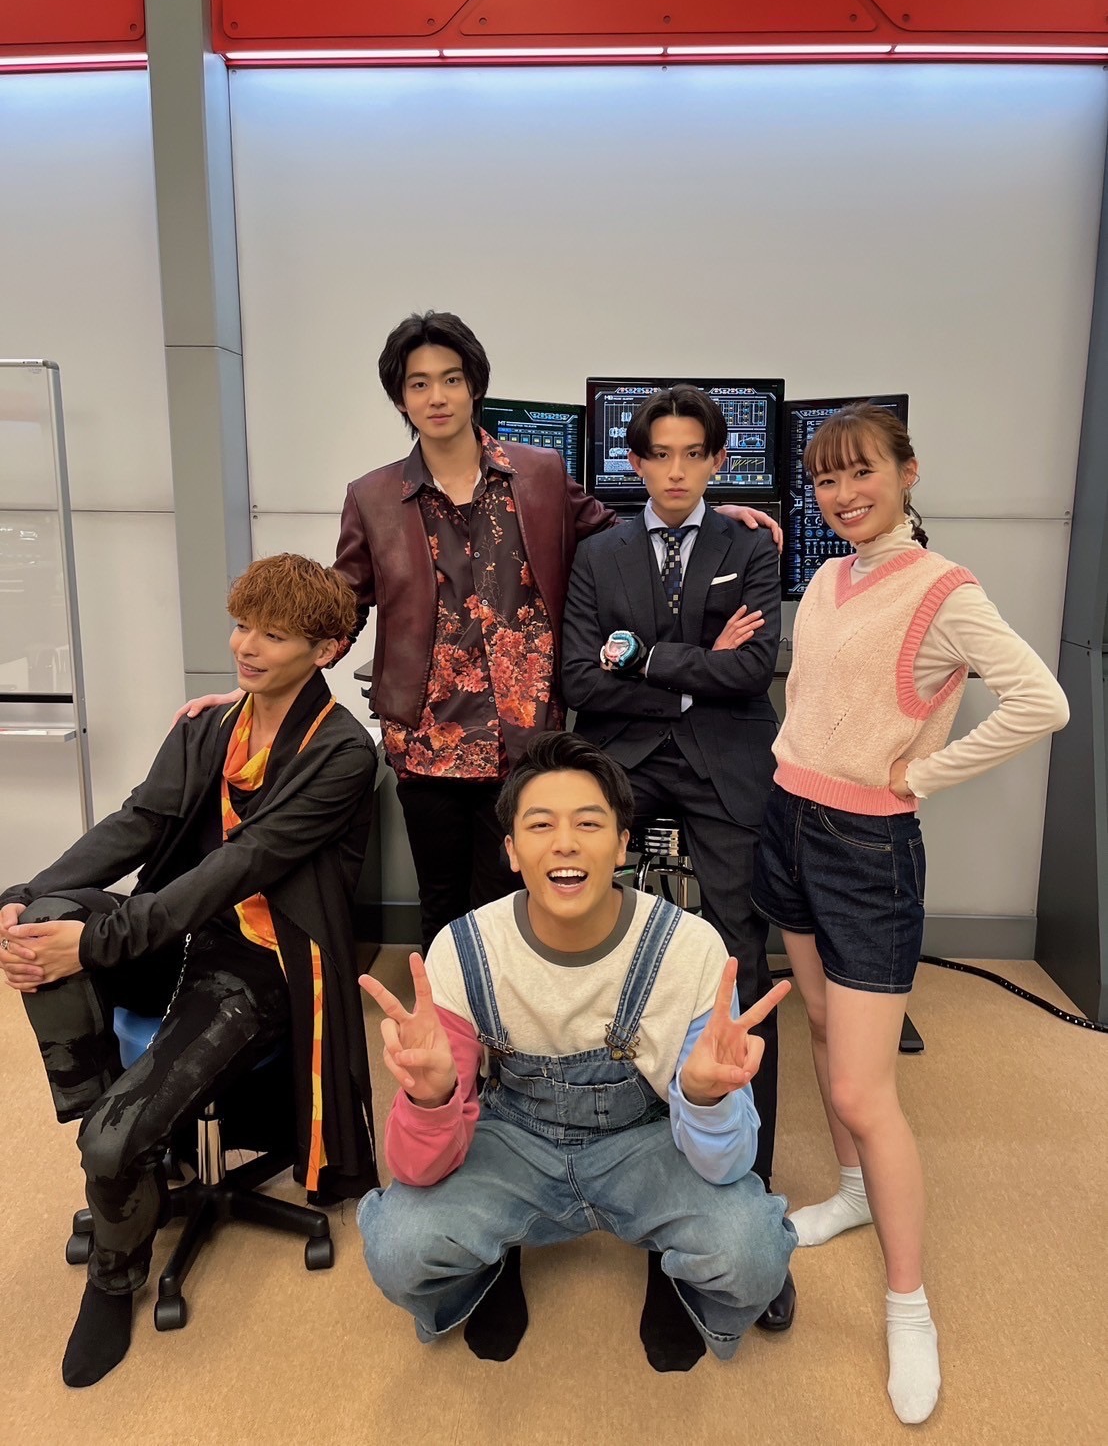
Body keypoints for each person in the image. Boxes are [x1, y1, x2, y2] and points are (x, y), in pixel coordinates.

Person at [176, 311, 780, 952]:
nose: (436, 397)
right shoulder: (374, 497)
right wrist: (264, 688)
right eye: (418, 384)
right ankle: (446, 1018)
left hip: (525, 734)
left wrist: (708, 520)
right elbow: (335, 609)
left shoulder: (539, 474)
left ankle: (502, 1019)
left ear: (474, 387)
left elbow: (621, 539)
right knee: (441, 908)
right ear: (400, 398)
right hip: (426, 736)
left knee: (514, 910)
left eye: (451, 379)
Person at [748, 403, 1069, 1424]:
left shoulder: (945, 590)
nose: (843, 494)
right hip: (789, 818)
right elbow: (818, 699)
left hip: (866, 849)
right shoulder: (830, 578)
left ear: (907, 472)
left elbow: (1043, 701)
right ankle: (849, 1193)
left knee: (862, 1085)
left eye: (862, 472)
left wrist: (921, 772)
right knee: (818, 1018)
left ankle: (908, 1303)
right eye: (826, 479)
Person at [0, 554, 380, 1388]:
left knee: (110, 1135)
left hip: (260, 959)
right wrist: (29, 892)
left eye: (272, 635)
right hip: (179, 931)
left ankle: (115, 1268)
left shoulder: (342, 752)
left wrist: (100, 941)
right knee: (45, 917)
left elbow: (243, 862)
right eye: (241, 625)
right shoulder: (209, 728)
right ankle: (118, 1137)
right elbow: (140, 821)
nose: (244, 646)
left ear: (324, 649)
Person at [356, 731, 796, 1371]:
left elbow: (729, 1166)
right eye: (540, 825)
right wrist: (431, 1099)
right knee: (399, 1246)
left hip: (646, 1143)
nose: (565, 842)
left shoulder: (689, 949)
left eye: (589, 823)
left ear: (621, 843)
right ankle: (491, 1259)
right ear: (511, 850)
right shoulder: (465, 950)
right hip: (513, 1143)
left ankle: (670, 1266)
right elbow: (417, 1170)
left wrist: (704, 1098)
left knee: (753, 1254)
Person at [560, 384, 795, 1330]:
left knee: (741, 953)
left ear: (718, 461)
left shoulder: (751, 545)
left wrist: (644, 660)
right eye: (657, 453)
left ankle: (746, 1182)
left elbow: (753, 669)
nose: (674, 470)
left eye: (693, 453)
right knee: (573, 918)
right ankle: (585, 1136)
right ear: (635, 462)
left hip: (724, 762)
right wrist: (691, 672)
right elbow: (579, 677)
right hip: (624, 755)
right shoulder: (599, 553)